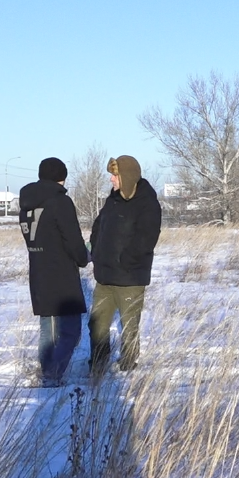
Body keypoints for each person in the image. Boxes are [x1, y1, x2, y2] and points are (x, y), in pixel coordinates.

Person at [19, 157, 90, 386]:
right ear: (61, 177)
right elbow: (72, 237)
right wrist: (83, 257)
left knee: (47, 331)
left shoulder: (27, 203)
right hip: (61, 274)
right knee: (70, 331)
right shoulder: (60, 202)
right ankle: (52, 375)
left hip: (38, 272)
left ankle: (48, 373)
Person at [89, 155, 162, 374]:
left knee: (129, 326)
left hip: (130, 278)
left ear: (127, 177)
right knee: (97, 324)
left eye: (115, 175)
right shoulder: (113, 199)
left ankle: (129, 366)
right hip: (105, 277)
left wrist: (127, 260)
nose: (111, 180)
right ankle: (98, 364)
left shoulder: (147, 202)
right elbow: (98, 226)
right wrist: (97, 250)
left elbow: (147, 238)